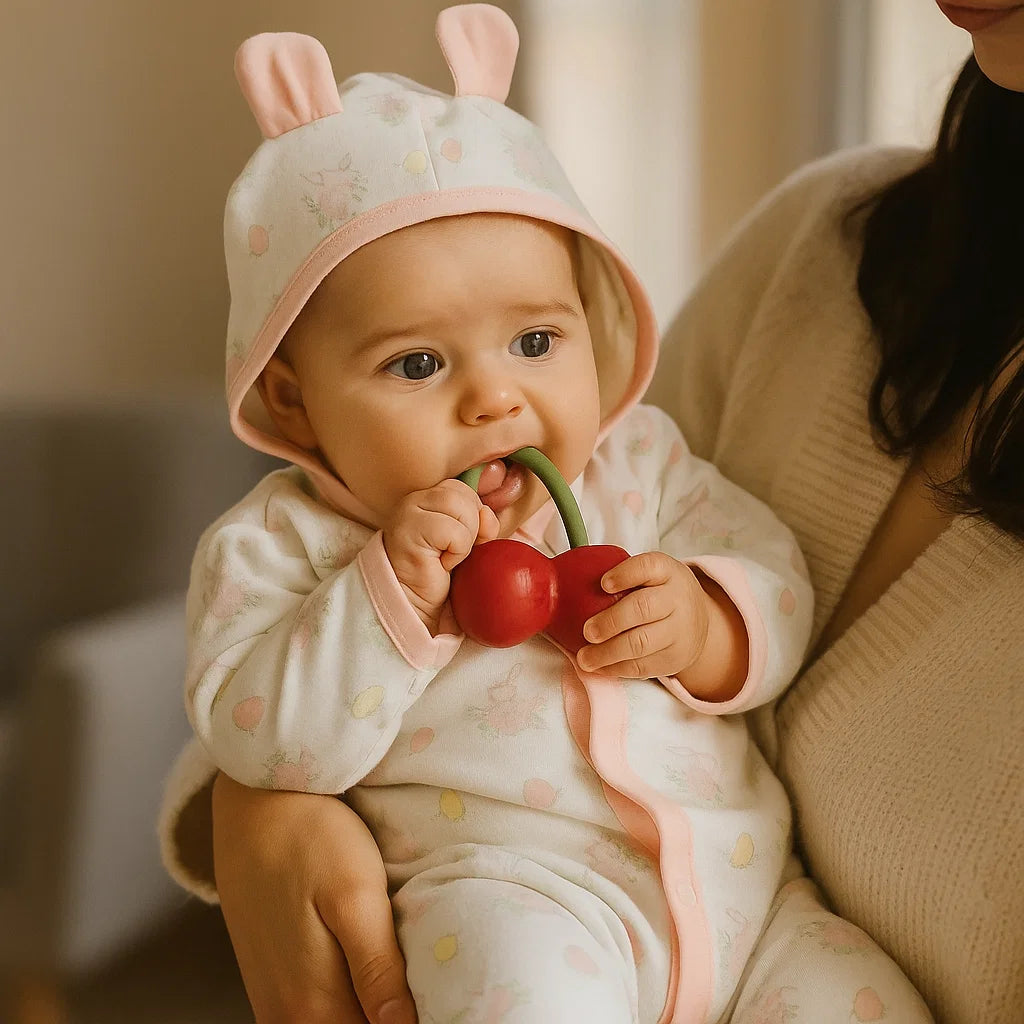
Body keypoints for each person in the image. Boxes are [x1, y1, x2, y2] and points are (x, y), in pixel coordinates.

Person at [160, 2, 1024, 1022]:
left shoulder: (640, 463)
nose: (494, 401)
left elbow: (770, 576)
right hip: (515, 898)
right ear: (292, 397)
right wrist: (379, 610)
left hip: (746, 904)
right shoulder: (279, 545)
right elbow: (252, 732)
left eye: (535, 343)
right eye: (417, 363)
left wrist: (705, 622)